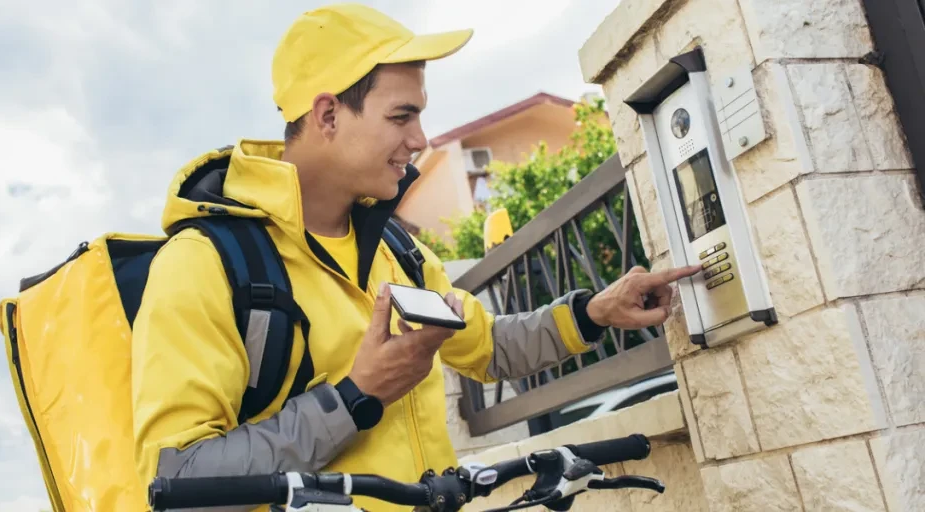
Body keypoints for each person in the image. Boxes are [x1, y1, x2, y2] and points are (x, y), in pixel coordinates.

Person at [130, 3, 701, 511]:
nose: (421, 139)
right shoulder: (205, 262)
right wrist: (356, 397)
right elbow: (179, 477)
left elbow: (488, 348)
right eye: (401, 117)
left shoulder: (397, 251)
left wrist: (593, 314)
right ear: (328, 115)